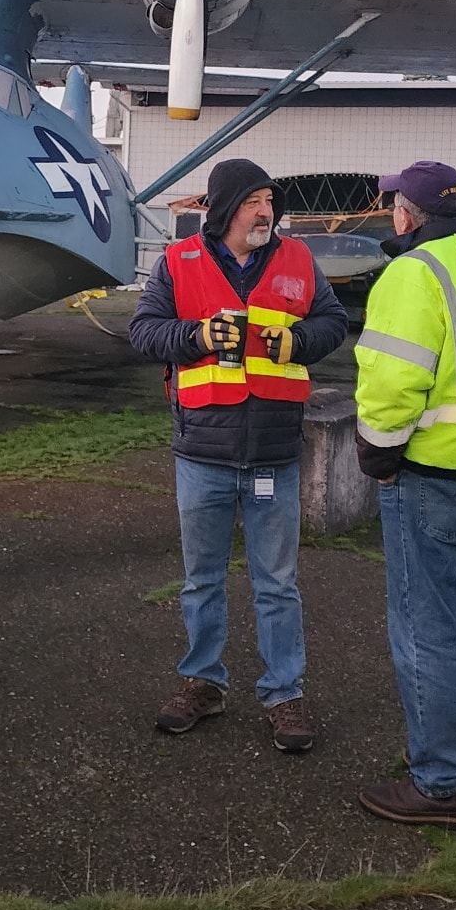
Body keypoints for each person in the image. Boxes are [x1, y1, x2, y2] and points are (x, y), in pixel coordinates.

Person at [128, 158, 348, 752]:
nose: (265, 211)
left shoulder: (300, 260)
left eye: (269, 201)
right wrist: (196, 337)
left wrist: (300, 340)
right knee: (202, 580)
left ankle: (285, 693)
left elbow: (333, 323)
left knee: (278, 583)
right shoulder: (177, 263)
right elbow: (143, 332)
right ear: (225, 208)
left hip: (274, 450)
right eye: (253, 201)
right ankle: (203, 682)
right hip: (203, 451)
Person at [351, 162, 456, 828]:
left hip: (429, 475)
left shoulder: (414, 273)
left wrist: (378, 460)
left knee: (426, 632)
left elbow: (392, 383)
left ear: (405, 214)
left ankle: (444, 782)